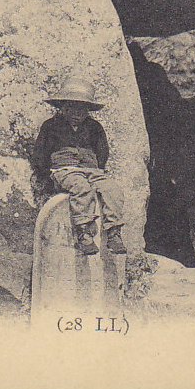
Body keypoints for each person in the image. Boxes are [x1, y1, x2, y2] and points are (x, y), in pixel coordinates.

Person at [30, 76, 125, 257]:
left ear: (88, 110)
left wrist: (95, 168)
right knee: (81, 187)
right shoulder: (51, 126)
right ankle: (84, 233)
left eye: (82, 109)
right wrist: (48, 175)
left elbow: (102, 153)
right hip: (65, 170)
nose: (77, 113)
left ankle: (114, 232)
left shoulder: (94, 127)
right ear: (63, 107)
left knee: (112, 189)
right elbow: (40, 155)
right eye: (72, 107)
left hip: (92, 170)